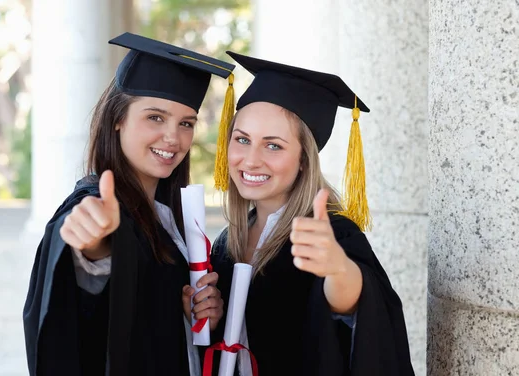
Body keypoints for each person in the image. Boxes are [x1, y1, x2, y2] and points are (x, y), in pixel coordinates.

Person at [23, 32, 235, 376]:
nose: (173, 137)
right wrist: (93, 246)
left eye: (186, 124)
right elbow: (89, 270)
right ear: (118, 118)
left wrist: (196, 318)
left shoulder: (165, 215)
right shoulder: (98, 204)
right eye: (155, 117)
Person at [206, 52, 414, 375]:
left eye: (273, 145)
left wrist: (339, 270)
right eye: (242, 139)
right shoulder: (226, 242)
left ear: (304, 159)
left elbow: (358, 304)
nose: (250, 159)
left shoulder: (331, 234)